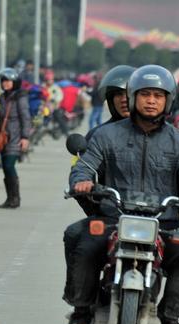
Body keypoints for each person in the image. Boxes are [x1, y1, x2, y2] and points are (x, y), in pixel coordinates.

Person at [65, 65, 179, 324]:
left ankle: (170, 320)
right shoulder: (106, 136)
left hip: (163, 221)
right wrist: (81, 181)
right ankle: (81, 313)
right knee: (80, 238)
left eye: (158, 95)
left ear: (168, 101)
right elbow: (84, 166)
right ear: (133, 97)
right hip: (113, 217)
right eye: (145, 94)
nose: (151, 101)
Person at [63, 65, 135, 262]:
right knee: (75, 236)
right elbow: (81, 167)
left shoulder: (167, 135)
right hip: (112, 214)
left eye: (129, 94)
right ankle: (80, 294)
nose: (124, 100)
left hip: (157, 218)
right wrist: (84, 188)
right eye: (117, 94)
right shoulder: (97, 135)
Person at [0, 68, 32, 209]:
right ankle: (9, 198)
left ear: (15, 82)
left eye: (8, 81)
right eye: (3, 81)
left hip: (16, 136)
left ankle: (15, 198)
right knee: (5, 167)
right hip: (4, 137)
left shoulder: (20, 97)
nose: (5, 83)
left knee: (9, 166)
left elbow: (25, 117)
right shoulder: (2, 97)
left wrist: (25, 137)